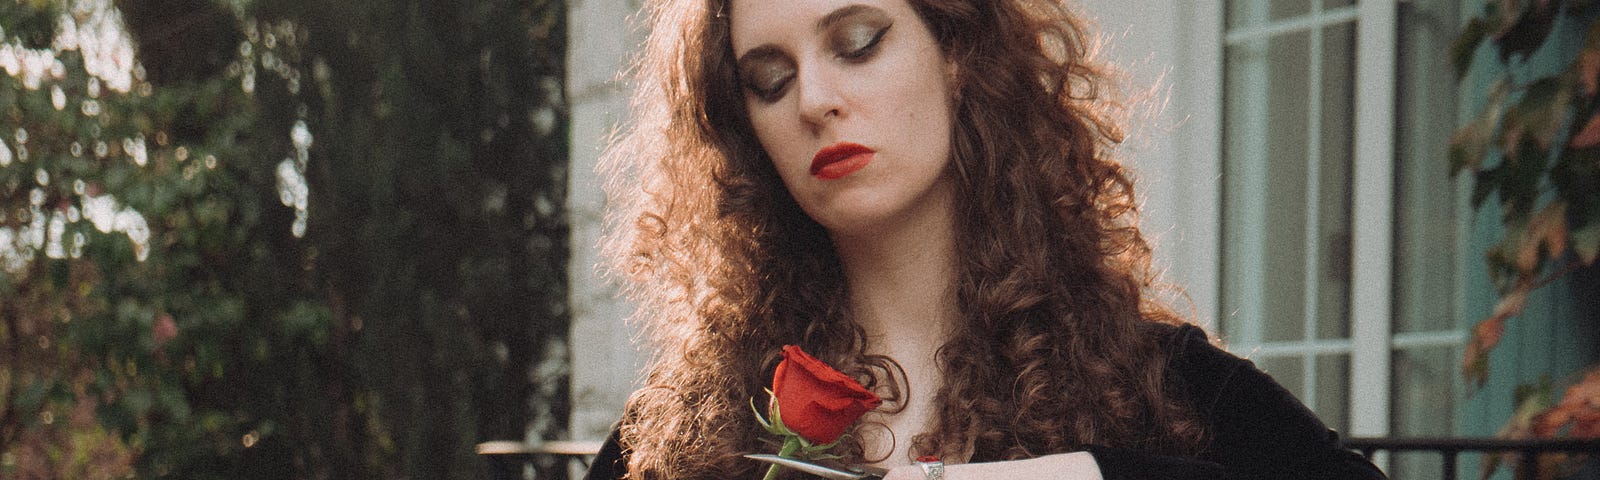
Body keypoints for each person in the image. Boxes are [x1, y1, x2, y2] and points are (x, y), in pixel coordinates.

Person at [585, 0, 1388, 478]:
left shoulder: (1164, 389)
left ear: (957, 52)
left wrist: (1085, 479)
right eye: (770, 79)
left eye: (857, 42)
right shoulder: (685, 434)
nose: (816, 99)